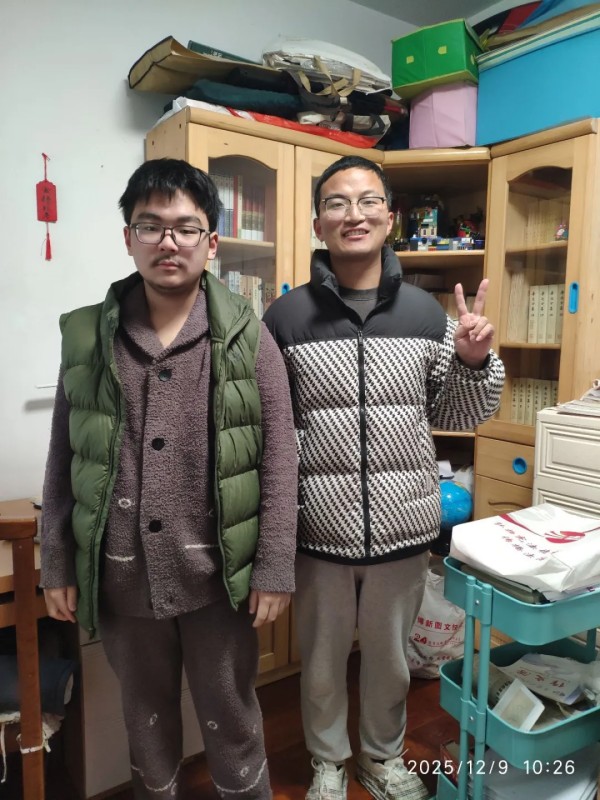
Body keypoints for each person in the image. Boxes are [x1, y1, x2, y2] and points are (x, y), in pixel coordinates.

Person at [40, 158, 298, 800]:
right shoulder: (88, 338)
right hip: (122, 577)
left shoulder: (247, 335)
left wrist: (274, 567)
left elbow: (279, 456)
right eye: (150, 226)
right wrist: (56, 563)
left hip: (218, 578)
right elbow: (64, 458)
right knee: (146, 720)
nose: (168, 242)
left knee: (231, 718)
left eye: (186, 227)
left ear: (212, 242)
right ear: (128, 238)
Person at [263, 155, 504, 800]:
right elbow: (268, 429)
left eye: (368, 201)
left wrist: (473, 361)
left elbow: (459, 414)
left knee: (392, 660)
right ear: (318, 222)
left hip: (403, 524)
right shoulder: (285, 318)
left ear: (390, 218)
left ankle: (382, 756)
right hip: (319, 527)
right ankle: (327, 762)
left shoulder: (426, 314)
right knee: (320, 661)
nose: (354, 214)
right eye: (337, 202)